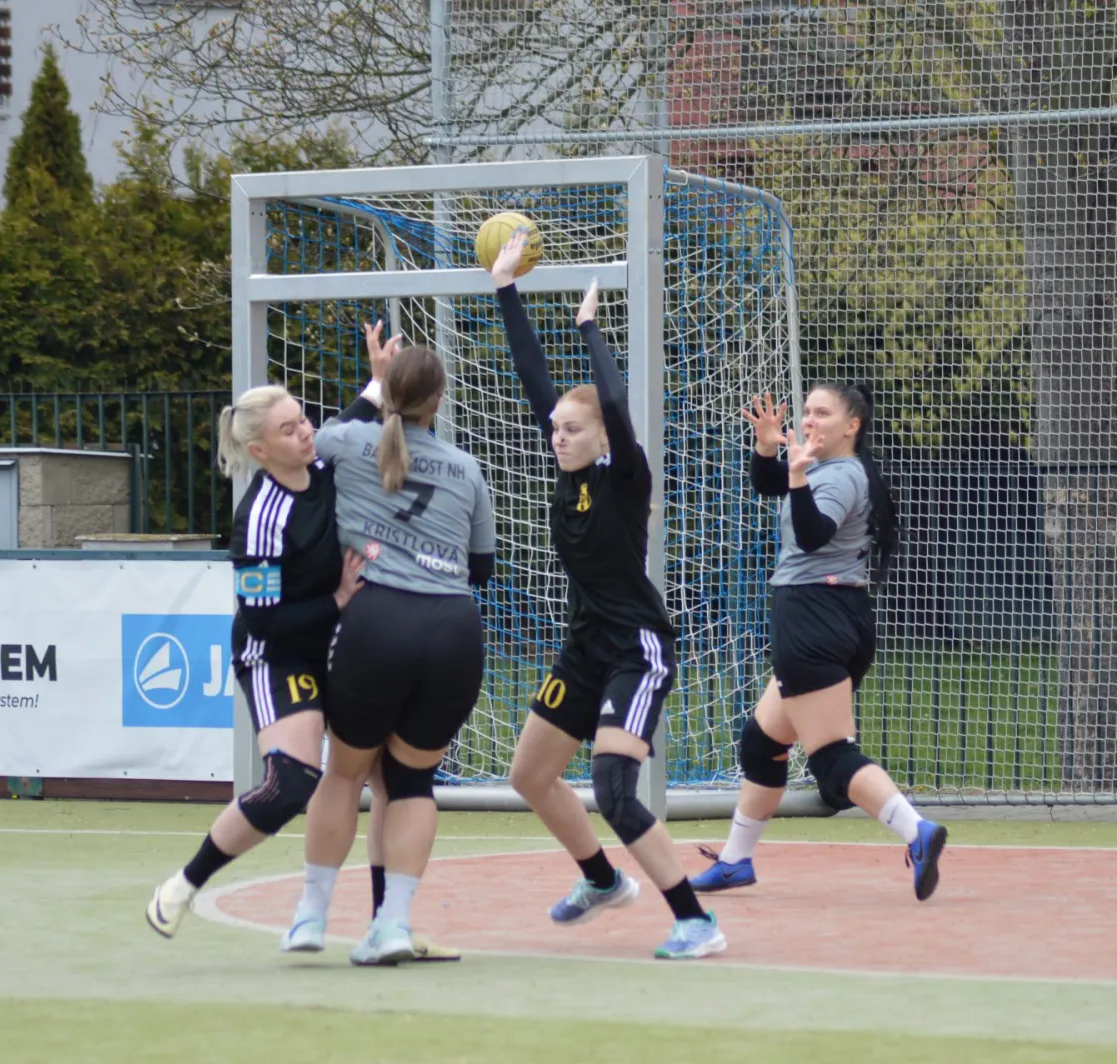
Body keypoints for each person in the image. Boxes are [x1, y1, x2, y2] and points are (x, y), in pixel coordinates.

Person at [488, 231, 724, 960]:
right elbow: (532, 374)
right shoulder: (565, 472)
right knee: (530, 775)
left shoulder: (625, 478)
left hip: (637, 649)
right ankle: (601, 880)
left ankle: (696, 922)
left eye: (572, 429)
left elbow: (614, 401)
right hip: (586, 646)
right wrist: (505, 288)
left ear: (602, 438)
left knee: (615, 788)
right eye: (555, 428)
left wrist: (590, 329)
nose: (558, 437)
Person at [689, 383, 948, 900]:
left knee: (829, 756)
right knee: (762, 744)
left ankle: (917, 830)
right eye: (807, 411)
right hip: (831, 615)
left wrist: (796, 474)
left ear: (852, 425)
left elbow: (811, 535)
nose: (809, 420)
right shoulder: (828, 470)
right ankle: (736, 861)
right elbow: (771, 488)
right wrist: (767, 449)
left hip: (812, 618)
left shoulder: (841, 475)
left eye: (822, 413)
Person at [285, 341, 496, 967]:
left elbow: (311, 445)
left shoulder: (350, 441)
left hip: (378, 621)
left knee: (345, 774)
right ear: (439, 401)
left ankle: (311, 914)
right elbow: (481, 568)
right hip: (453, 630)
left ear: (389, 393)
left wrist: (375, 386)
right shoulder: (467, 467)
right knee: (410, 781)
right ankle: (394, 924)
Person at [144, 379, 374, 938]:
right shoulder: (259, 520)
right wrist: (338, 600)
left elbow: (354, 416)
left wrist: (379, 378)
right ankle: (184, 885)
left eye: (304, 419)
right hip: (277, 655)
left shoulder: (323, 464)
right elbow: (266, 623)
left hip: (335, 643)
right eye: (288, 430)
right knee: (290, 783)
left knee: (387, 774)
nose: (305, 433)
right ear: (259, 451)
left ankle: (373, 919)